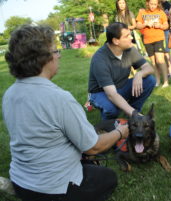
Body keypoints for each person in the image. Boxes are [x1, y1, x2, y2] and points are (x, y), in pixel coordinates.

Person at [2, 24, 130, 201]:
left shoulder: (10, 93)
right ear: (44, 59)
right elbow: (93, 147)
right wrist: (119, 132)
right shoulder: (59, 98)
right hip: (53, 189)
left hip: (21, 183)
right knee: (108, 177)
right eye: (56, 51)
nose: (59, 56)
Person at [88, 22, 156, 120]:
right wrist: (135, 114)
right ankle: (109, 123)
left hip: (120, 86)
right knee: (111, 109)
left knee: (150, 80)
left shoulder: (129, 49)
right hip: (100, 93)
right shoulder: (100, 59)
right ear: (116, 41)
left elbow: (149, 68)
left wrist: (139, 74)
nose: (131, 38)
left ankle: (133, 111)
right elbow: (111, 94)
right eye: (127, 36)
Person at [136, 0, 169, 87]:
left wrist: (160, 26)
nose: (153, 6)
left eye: (155, 4)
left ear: (157, 4)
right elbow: (137, 25)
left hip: (159, 39)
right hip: (147, 40)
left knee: (160, 60)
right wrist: (145, 24)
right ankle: (157, 81)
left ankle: (166, 81)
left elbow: (166, 25)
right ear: (148, 3)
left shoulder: (161, 12)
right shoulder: (142, 12)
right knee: (153, 62)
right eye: (151, 4)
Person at [161, 0, 171, 79]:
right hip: (157, 31)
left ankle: (170, 72)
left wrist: (170, 31)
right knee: (160, 54)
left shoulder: (168, 5)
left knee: (166, 52)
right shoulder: (157, 4)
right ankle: (165, 72)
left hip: (166, 31)